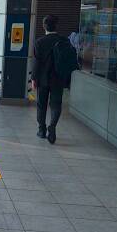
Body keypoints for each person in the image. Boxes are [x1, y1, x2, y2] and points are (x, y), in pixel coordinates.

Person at [32, 14, 71, 144]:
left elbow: (37, 63)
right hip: (58, 79)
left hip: (43, 79)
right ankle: (52, 126)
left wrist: (34, 78)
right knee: (56, 104)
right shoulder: (64, 41)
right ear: (56, 26)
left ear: (44, 26)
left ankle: (41, 130)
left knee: (41, 105)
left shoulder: (40, 42)